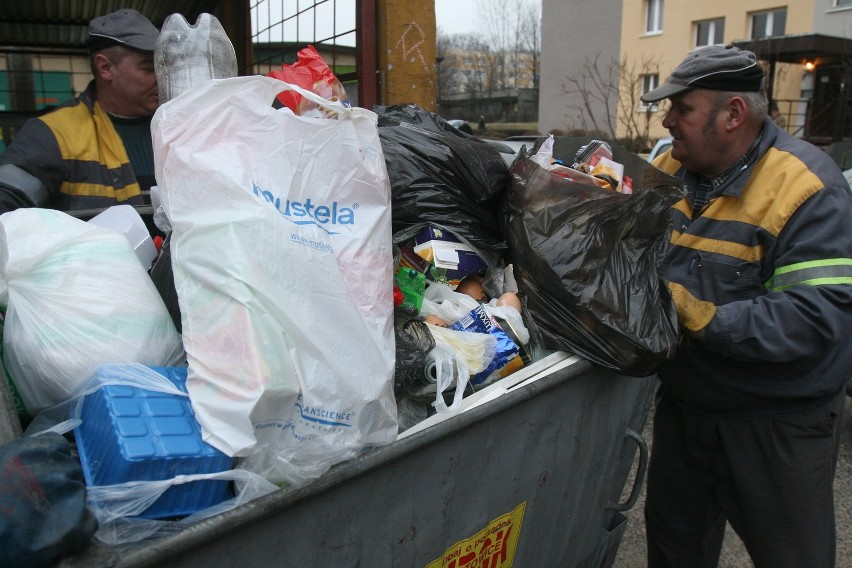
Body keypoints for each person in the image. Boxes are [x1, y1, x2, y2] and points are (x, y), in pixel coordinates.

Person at [640, 44, 852, 567]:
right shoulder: (669, 165)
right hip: (686, 409)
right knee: (675, 552)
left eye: (683, 109)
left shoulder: (806, 189)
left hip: (775, 424)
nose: (667, 121)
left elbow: (814, 318)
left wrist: (706, 316)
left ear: (733, 114)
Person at [0, 9, 160, 215]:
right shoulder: (54, 134)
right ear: (105, 67)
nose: (162, 75)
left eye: (165, 65)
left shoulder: (182, 124)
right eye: (149, 68)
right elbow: (6, 206)